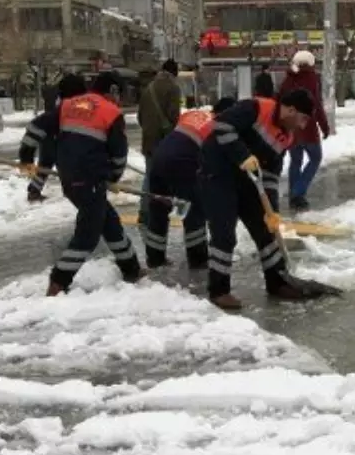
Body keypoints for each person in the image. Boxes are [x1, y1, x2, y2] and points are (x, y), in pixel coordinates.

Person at [201, 89, 336, 310]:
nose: (303, 126)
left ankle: (278, 282)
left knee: (266, 230)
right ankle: (219, 290)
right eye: (302, 119)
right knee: (224, 233)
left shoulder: (286, 137)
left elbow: (272, 174)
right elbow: (221, 126)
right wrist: (242, 156)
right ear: (291, 110)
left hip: (249, 181)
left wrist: (271, 210)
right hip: (218, 176)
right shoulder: (255, 108)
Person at [22, 72, 144, 297]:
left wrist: (26, 155)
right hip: (91, 180)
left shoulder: (70, 105)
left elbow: (35, 127)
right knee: (87, 235)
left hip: (71, 179)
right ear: (112, 92)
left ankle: (131, 268)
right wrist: (113, 177)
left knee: (110, 223)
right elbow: (119, 155)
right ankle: (58, 281)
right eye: (118, 93)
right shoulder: (111, 113)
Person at [143, 97, 237, 270]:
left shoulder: (194, 114)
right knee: (194, 210)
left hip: (159, 159)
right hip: (182, 164)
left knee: (159, 208)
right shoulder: (219, 127)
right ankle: (198, 259)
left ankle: (155, 258)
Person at [278, 50, 331, 211]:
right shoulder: (312, 79)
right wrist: (324, 127)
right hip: (307, 127)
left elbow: (279, 102)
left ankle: (295, 197)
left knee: (296, 161)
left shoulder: (287, 79)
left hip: (291, 128)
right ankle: (297, 192)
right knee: (315, 157)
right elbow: (317, 104)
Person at [22, 73, 88, 203]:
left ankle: (34, 190)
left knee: (45, 164)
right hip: (55, 137)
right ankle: (35, 191)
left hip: (51, 136)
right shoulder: (69, 103)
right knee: (54, 165)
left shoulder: (58, 96)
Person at [137, 59, 182, 224]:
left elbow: (140, 116)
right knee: (166, 177)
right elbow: (174, 116)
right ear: (174, 73)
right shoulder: (173, 88)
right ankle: (160, 211)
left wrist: (149, 131)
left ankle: (144, 211)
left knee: (149, 176)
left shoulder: (148, 88)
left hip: (148, 140)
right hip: (165, 141)